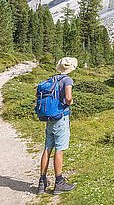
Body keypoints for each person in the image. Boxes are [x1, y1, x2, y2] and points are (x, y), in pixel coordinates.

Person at [38, 57, 77, 195]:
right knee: (59, 150)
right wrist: (70, 102)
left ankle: (42, 182)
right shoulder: (67, 80)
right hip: (60, 118)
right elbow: (68, 97)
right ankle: (59, 182)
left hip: (49, 119)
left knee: (47, 148)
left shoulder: (52, 79)